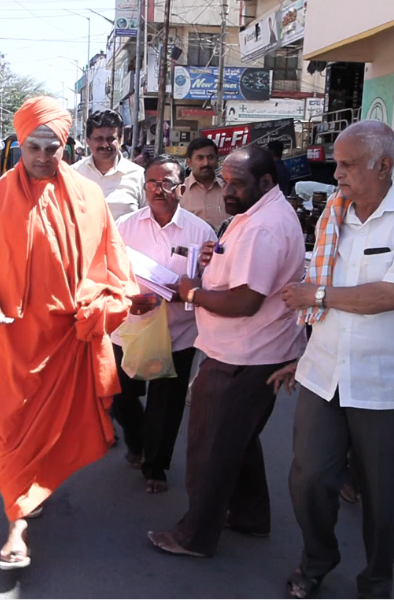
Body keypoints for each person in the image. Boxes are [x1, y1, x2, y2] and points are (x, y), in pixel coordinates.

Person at [0, 96, 138, 570]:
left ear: (65, 146)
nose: (42, 156)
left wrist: (103, 305)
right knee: (11, 435)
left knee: (52, 439)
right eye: (33, 146)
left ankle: (23, 512)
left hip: (67, 347)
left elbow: (117, 272)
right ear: (19, 143)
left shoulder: (90, 199)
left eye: (52, 147)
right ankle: (17, 521)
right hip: (9, 347)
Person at [147, 145, 306, 558]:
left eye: (237, 184)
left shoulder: (263, 225)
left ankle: (194, 536)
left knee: (210, 448)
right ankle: (251, 516)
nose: (228, 190)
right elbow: (239, 270)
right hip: (248, 352)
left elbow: (245, 301)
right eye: (227, 181)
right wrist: (214, 260)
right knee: (239, 440)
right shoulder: (256, 214)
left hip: (243, 356)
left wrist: (193, 291)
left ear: (266, 183)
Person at [269, 121, 394, 600]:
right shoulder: (334, 213)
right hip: (322, 373)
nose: (337, 173)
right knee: (309, 478)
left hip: (384, 383)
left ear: (383, 166)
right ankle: (317, 559)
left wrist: (318, 294)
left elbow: (391, 294)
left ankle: (377, 581)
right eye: (338, 164)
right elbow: (325, 305)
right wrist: (299, 354)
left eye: (347, 165)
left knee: (384, 496)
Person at [113, 155, 217, 493]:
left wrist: (189, 291)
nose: (160, 190)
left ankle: (155, 465)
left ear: (181, 185)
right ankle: (137, 437)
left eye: (168, 182)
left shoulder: (200, 232)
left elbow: (212, 282)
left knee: (167, 403)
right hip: (129, 327)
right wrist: (129, 297)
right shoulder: (125, 226)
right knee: (120, 396)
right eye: (153, 183)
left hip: (178, 331)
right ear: (144, 187)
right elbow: (107, 272)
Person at [73, 109, 145, 221]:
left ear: (120, 140)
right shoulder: (73, 174)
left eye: (111, 139)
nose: (105, 144)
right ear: (88, 141)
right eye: (98, 139)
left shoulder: (139, 175)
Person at [180, 137, 225, 232]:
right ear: (189, 162)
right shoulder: (179, 192)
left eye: (210, 157)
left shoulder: (228, 190)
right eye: (200, 158)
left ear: (217, 160)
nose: (206, 163)